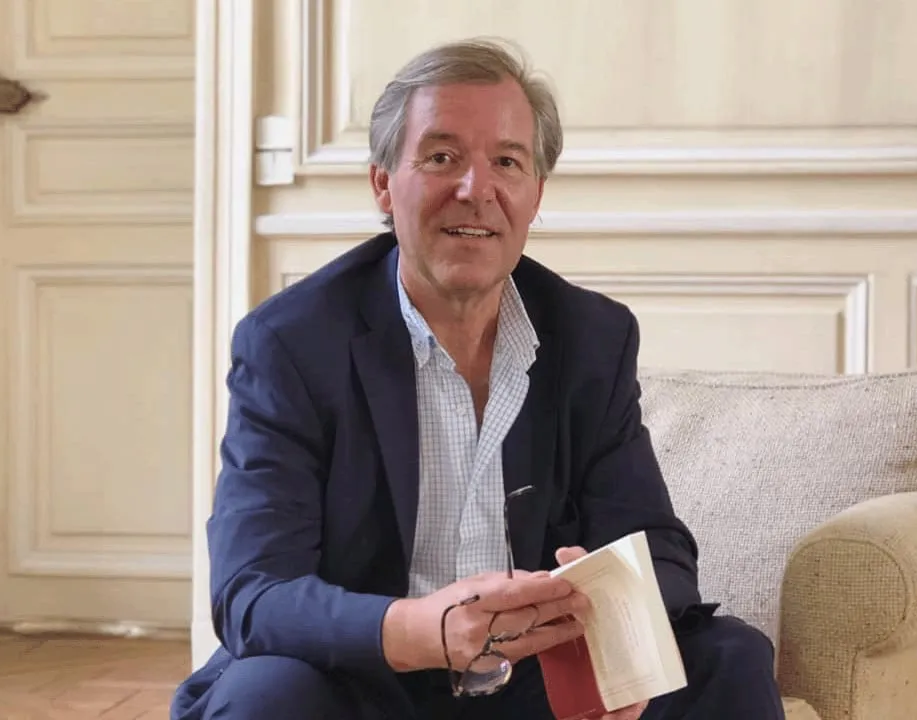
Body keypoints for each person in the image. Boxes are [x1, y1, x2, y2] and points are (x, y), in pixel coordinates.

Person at [171, 38, 785, 720]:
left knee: (729, 656)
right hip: (363, 678)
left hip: (538, 681)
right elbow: (254, 591)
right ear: (383, 183)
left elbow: (657, 548)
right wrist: (424, 629)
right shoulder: (292, 342)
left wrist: (616, 634)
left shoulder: (591, 338)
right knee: (266, 697)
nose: (475, 190)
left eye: (507, 162)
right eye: (441, 157)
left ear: (535, 193)